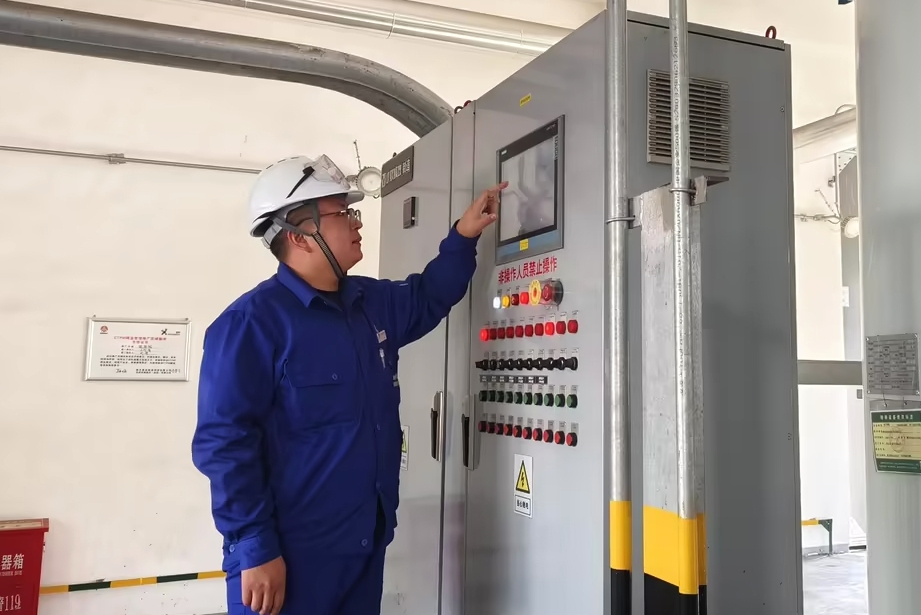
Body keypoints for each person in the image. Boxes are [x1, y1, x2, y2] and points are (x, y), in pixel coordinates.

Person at [191, 153, 505, 615]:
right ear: (300, 235)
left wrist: (464, 236)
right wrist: (254, 547)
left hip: (363, 545)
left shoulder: (370, 304)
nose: (357, 223)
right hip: (288, 558)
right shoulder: (250, 325)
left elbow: (429, 295)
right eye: (343, 214)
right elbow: (225, 443)